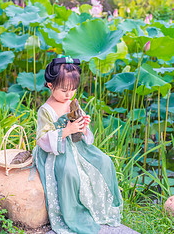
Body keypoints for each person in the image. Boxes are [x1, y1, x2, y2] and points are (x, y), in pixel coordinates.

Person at [32, 56, 123, 234]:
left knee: (104, 161)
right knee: (70, 172)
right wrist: (67, 130)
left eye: (73, 89)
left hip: (77, 144)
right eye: (64, 90)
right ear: (51, 86)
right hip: (55, 151)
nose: (69, 94)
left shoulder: (72, 102)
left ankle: (100, 207)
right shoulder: (46, 110)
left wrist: (83, 125)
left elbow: (83, 133)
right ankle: (73, 213)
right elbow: (42, 139)